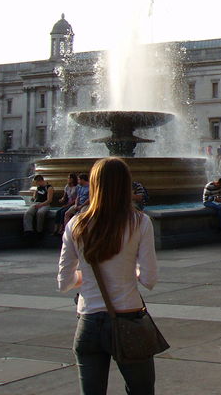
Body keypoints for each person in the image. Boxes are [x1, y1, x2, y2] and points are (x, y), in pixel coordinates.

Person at [57, 157, 158, 395]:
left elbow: (64, 283)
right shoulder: (140, 222)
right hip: (128, 318)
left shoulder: (76, 224)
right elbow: (149, 279)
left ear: (93, 184)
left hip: (88, 321)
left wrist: (85, 276)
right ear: (126, 185)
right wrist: (126, 272)